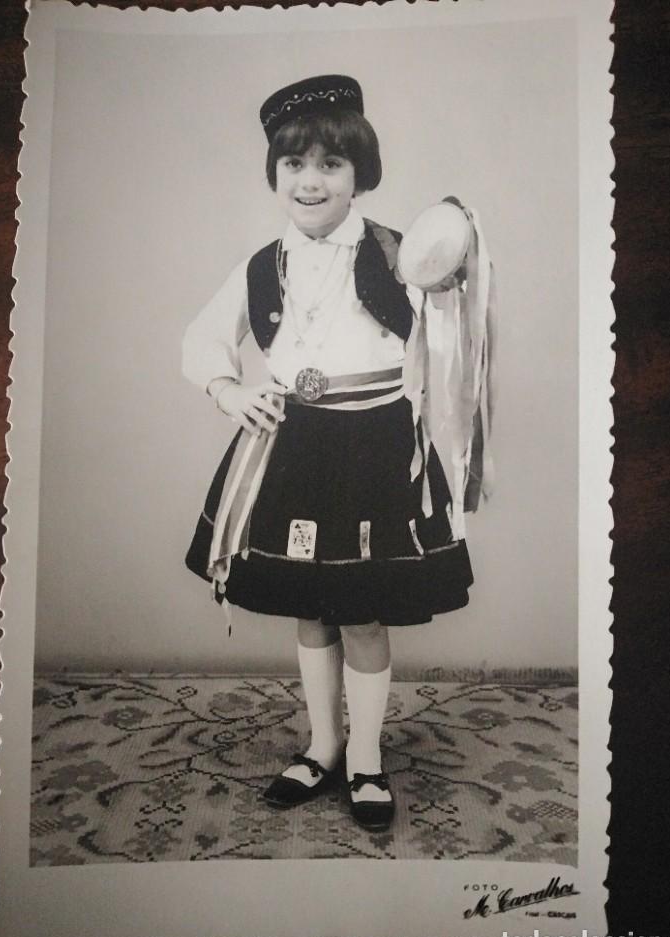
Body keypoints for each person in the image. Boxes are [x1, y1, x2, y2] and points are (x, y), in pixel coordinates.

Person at [181, 75, 477, 834]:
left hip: (375, 445)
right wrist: (227, 389)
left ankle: (368, 757)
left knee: (363, 613)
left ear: (359, 174)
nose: (310, 181)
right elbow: (205, 337)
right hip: (296, 446)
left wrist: (453, 276)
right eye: (294, 165)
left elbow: (450, 332)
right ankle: (324, 744)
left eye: (330, 165)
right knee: (312, 608)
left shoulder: (398, 253)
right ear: (275, 174)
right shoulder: (261, 265)